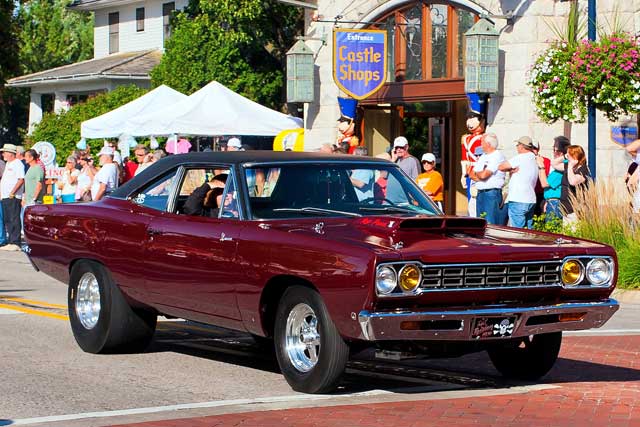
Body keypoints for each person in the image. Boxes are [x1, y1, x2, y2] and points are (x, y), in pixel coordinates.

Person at [498, 136, 539, 229]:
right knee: (529, 232)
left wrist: (510, 169)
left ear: (521, 146)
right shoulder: (534, 158)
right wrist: (512, 170)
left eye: (517, 145)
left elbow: (501, 167)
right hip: (531, 199)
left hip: (518, 199)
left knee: (517, 232)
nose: (516, 147)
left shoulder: (520, 157)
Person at [468, 133, 506, 224]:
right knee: (479, 223)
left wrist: (480, 174)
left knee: (490, 223)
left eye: (482, 142)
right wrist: (481, 174)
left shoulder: (497, 156)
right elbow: (471, 174)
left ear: (488, 144)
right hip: (480, 192)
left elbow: (484, 175)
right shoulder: (483, 156)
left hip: (491, 193)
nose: (481, 145)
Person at [536, 136, 570, 221]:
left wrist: (541, 166)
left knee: (552, 232)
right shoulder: (560, 166)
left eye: (555, 150)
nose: (554, 153)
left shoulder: (562, 167)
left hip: (555, 203)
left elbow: (544, 184)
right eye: (553, 150)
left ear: (561, 153)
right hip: (551, 201)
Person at [460, 112, 486, 217]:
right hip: (470, 170)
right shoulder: (465, 138)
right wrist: (463, 173)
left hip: (479, 171)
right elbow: (464, 158)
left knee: (477, 198)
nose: (470, 121)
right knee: (471, 198)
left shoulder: (484, 138)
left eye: (473, 118)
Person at [0, 144, 25, 250]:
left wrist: (12, 192)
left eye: (5, 152)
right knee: (8, 219)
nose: (3, 154)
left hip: (12, 197)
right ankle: (11, 240)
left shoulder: (17, 163)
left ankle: (15, 242)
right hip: (6, 196)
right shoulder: (8, 164)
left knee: (13, 218)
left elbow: (21, 179)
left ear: (10, 153)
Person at [559, 144, 590, 225]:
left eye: (569, 154)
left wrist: (570, 165)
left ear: (575, 155)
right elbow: (554, 163)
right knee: (566, 235)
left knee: (572, 235)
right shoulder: (570, 167)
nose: (567, 156)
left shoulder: (583, 170)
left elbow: (572, 182)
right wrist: (564, 157)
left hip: (575, 211)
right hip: (565, 209)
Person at [21, 149, 45, 231]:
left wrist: (34, 199)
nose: (24, 158)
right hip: (28, 201)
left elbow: (39, 185)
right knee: (26, 224)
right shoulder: (30, 168)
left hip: (35, 202)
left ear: (31, 158)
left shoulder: (38, 168)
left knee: (34, 225)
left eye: (26, 157)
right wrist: (24, 198)